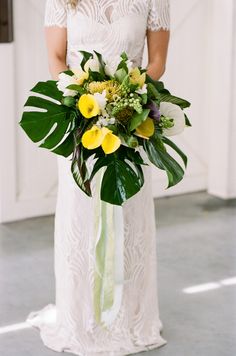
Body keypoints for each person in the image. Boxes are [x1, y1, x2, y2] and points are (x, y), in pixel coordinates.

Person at [26, 0, 170, 355]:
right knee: (80, 217)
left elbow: (156, 62)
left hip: (132, 125)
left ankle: (130, 319)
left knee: (130, 221)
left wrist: (125, 106)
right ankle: (80, 318)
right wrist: (86, 104)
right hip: (81, 125)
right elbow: (57, 59)